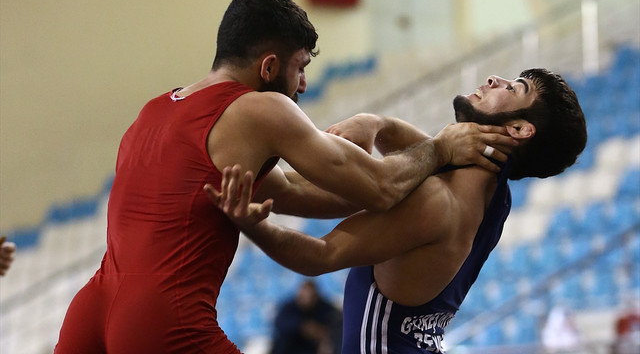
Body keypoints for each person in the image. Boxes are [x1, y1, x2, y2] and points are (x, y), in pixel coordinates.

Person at [54, 0, 515, 353]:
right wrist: (438, 148)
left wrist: (384, 148)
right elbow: (378, 188)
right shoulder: (260, 109)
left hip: (91, 308)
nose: (303, 85)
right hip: (161, 319)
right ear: (269, 66)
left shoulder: (155, 111)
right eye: (300, 68)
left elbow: (301, 193)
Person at [206, 68, 587, 353]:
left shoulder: (439, 203)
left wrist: (249, 224)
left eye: (513, 88)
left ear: (519, 130)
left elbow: (320, 255)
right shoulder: (493, 195)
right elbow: (422, 151)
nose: (494, 79)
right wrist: (373, 121)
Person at [271, 280, 342, 354]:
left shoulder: (325, 308)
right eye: (304, 297)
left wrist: (323, 333)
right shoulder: (289, 307)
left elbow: (338, 323)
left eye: (311, 297)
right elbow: (279, 324)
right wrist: (303, 327)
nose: (307, 301)